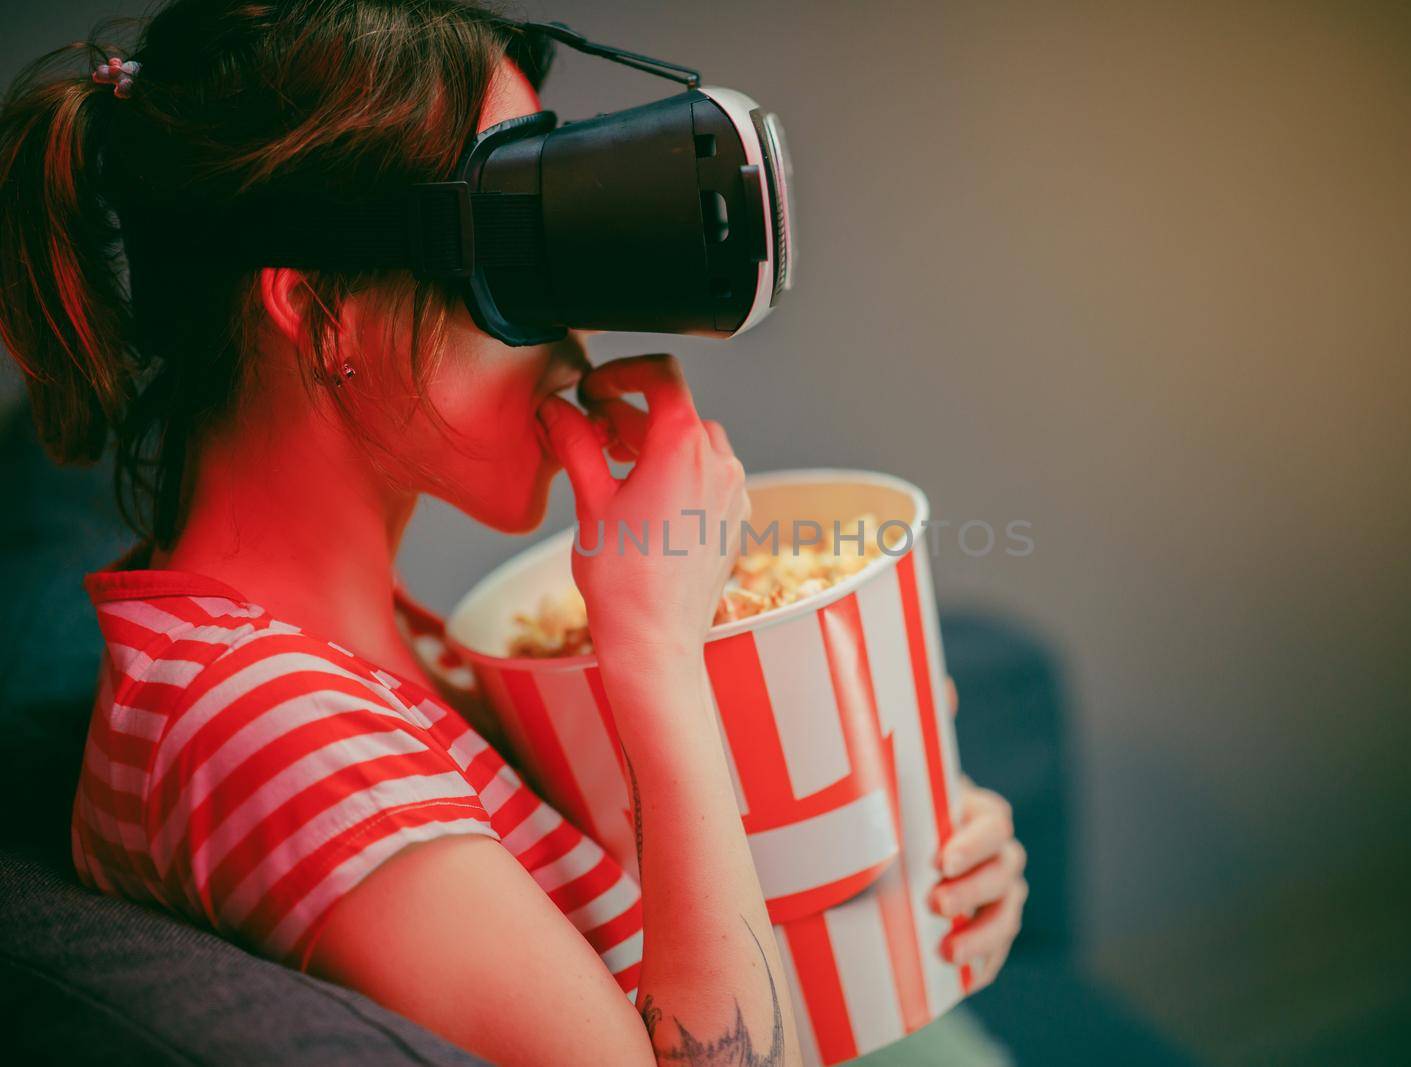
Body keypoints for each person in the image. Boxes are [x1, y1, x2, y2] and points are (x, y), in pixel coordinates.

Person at [0, 2, 1028, 1063]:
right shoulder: (258, 725)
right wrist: (652, 649)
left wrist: (917, 864)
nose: (576, 344)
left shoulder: (347, 647)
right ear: (319, 314)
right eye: (515, 264)